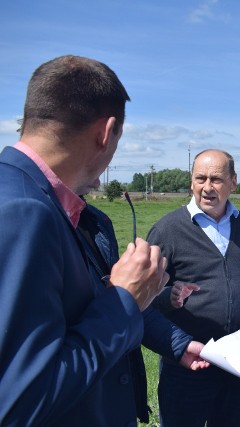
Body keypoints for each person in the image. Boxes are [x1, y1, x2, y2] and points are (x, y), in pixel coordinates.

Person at [0, 55, 168, 426]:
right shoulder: (26, 212)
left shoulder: (30, 196)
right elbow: (20, 401)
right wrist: (124, 298)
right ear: (106, 132)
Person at [147, 149, 240, 427]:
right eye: (200, 178)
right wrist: (169, 297)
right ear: (191, 181)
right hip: (187, 362)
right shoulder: (168, 230)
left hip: (234, 360)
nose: (207, 187)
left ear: (233, 182)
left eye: (216, 179)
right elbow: (143, 297)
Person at [77, 199, 210, 424]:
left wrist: (180, 345)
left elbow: (131, 307)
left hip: (113, 401)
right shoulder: (32, 218)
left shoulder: (93, 219)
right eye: (200, 178)